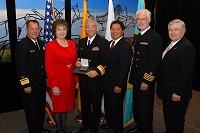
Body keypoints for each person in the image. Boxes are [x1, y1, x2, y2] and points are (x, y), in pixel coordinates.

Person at [157, 19, 196, 133]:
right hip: (168, 90)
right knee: (169, 119)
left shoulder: (186, 47)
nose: (172, 32)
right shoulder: (171, 43)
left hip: (177, 93)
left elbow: (187, 74)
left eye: (176, 29)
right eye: (170, 29)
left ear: (183, 31)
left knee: (176, 121)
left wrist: (178, 92)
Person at [128, 9, 163, 133]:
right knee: (137, 107)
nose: (140, 21)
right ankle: (139, 127)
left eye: (143, 19)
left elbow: (154, 63)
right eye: (138, 19)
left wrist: (146, 81)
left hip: (145, 81)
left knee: (145, 109)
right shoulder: (138, 36)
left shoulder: (155, 37)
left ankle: (146, 130)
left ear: (149, 20)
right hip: (136, 79)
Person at [15, 20, 51, 133]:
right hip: (29, 85)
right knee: (31, 111)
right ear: (27, 30)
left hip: (40, 84)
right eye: (32, 28)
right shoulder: (22, 45)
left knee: (40, 109)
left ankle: (40, 128)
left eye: (37, 28)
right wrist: (26, 84)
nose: (35, 31)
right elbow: (20, 67)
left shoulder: (40, 43)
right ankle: (33, 130)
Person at [76, 18, 110, 133]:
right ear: (85, 29)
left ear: (97, 28)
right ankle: (86, 125)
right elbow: (80, 57)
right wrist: (78, 62)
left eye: (92, 26)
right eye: (88, 27)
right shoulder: (81, 42)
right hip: (84, 80)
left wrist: (97, 71)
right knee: (85, 106)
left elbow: (106, 62)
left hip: (96, 81)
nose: (90, 29)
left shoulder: (102, 42)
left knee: (95, 107)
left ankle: (94, 128)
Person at [45, 19, 78, 133]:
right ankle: (59, 130)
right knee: (59, 108)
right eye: (58, 29)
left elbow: (75, 63)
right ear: (54, 31)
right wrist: (54, 85)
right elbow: (49, 68)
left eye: (64, 29)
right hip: (58, 82)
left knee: (66, 107)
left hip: (70, 80)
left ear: (67, 30)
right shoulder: (50, 46)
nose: (61, 32)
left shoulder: (72, 44)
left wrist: (77, 80)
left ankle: (64, 127)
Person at [100, 20, 133, 133]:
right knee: (108, 106)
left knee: (116, 108)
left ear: (122, 31)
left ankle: (118, 129)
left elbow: (124, 69)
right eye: (112, 29)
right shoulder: (109, 44)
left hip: (116, 84)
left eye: (117, 29)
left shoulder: (125, 47)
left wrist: (119, 85)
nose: (114, 31)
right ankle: (110, 123)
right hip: (106, 83)